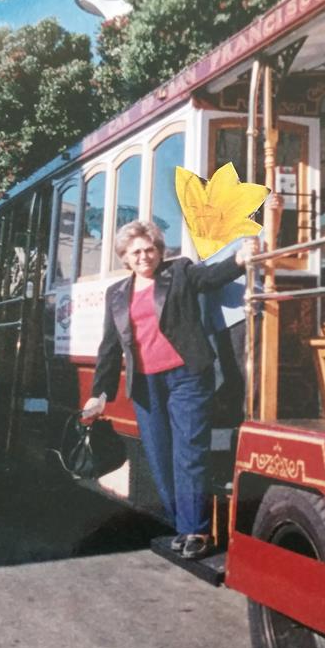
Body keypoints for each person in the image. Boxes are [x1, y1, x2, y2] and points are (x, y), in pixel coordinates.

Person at [83, 220, 259, 559]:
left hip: (186, 378)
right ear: (125, 257)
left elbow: (210, 278)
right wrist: (99, 393)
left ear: (160, 251)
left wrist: (239, 259)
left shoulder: (179, 272)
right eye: (136, 252)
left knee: (189, 453)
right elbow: (110, 346)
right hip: (146, 385)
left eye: (150, 249)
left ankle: (197, 530)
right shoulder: (116, 293)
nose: (144, 256)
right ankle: (183, 525)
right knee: (160, 457)